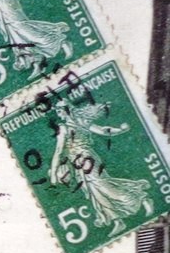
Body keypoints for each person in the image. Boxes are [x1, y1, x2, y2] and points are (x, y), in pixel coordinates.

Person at [48, 99, 153, 237]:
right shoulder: (80, 122)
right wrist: (121, 130)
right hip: (79, 164)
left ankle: (141, 198)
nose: (58, 113)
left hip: (87, 160)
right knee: (95, 192)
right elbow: (104, 131)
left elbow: (59, 151)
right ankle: (117, 221)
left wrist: (53, 174)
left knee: (104, 186)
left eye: (59, 110)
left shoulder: (65, 127)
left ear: (66, 110)